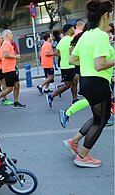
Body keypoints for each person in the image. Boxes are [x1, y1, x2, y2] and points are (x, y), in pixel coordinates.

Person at [63, 0, 114, 168]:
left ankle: (74, 141)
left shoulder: (86, 35)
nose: (111, 16)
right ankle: (83, 156)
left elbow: (72, 59)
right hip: (98, 82)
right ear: (106, 15)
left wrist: (86, 60)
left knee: (97, 117)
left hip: (86, 81)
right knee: (102, 119)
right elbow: (99, 65)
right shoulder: (100, 35)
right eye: (111, 13)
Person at [0, 30, 26, 110]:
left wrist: (14, 57)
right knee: (10, 88)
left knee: (17, 85)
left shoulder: (6, 44)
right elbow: (5, 54)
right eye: (11, 34)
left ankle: (16, 102)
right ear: (6, 35)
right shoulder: (6, 43)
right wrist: (16, 57)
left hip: (11, 68)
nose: (12, 35)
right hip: (8, 69)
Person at [46, 24, 79, 107]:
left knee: (75, 81)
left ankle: (75, 100)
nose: (74, 29)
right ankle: (51, 96)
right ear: (68, 30)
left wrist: (63, 55)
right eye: (72, 28)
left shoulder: (62, 40)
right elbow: (72, 52)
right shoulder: (71, 40)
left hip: (66, 65)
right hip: (69, 65)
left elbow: (56, 53)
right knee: (67, 85)